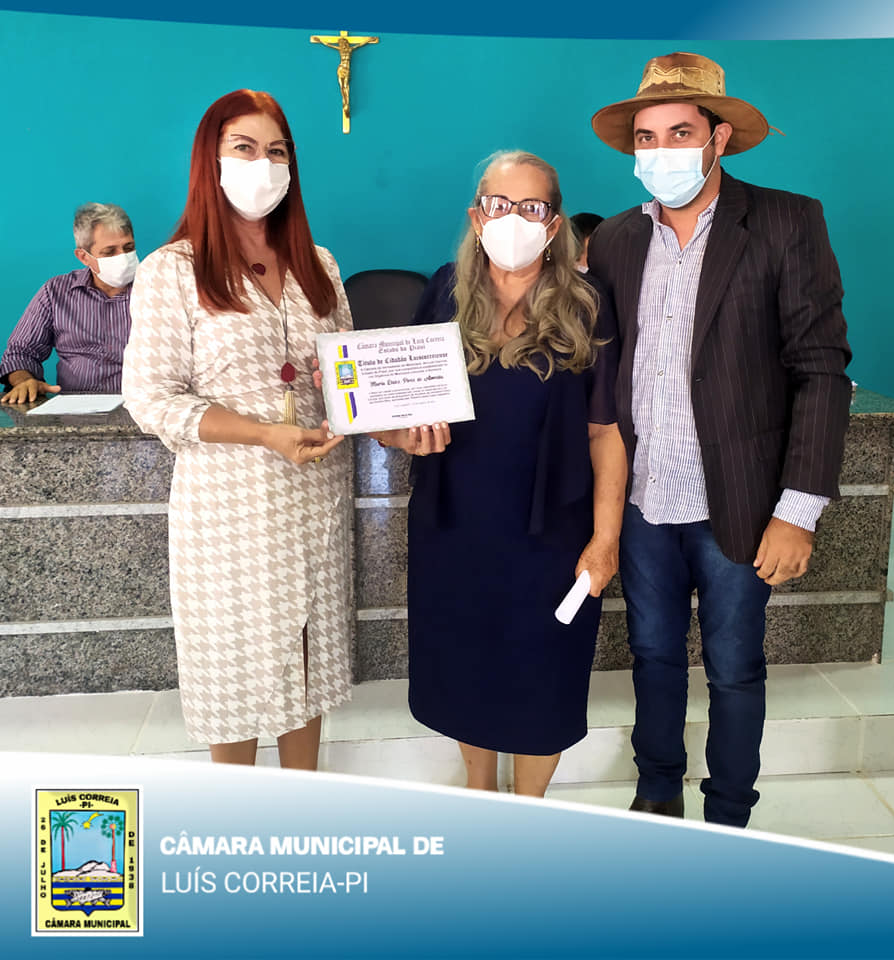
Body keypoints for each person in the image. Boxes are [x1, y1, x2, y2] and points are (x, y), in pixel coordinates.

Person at [588, 52, 852, 826]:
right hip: (645, 500)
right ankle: (657, 788)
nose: (660, 151)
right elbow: (601, 370)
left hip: (741, 499)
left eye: (680, 132)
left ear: (718, 137)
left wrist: (798, 511)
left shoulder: (784, 222)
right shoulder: (615, 240)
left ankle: (730, 811)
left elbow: (821, 371)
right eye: (646, 137)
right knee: (653, 653)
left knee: (735, 666)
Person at [373, 151, 626, 797]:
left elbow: (605, 432)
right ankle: (479, 794)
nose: (514, 218)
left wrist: (605, 540)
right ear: (476, 215)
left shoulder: (589, 303)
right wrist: (402, 434)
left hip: (552, 536)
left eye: (532, 207)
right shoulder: (444, 292)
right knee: (467, 670)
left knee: (544, 679)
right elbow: (392, 417)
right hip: (454, 526)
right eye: (499, 204)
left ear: (554, 223)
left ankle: (527, 813)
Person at [122, 90, 353, 770]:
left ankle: (303, 801)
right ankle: (238, 814)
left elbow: (346, 376)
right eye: (245, 149)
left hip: (314, 498)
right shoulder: (174, 270)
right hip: (231, 511)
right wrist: (262, 434)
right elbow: (151, 397)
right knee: (236, 670)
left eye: (277, 151)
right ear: (211, 161)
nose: (264, 165)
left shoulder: (320, 264)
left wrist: (360, 400)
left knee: (306, 663)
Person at [1, 202, 138, 403]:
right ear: (83, 256)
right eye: (109, 252)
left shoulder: (159, 288)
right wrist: (25, 381)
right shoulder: (55, 292)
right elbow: (20, 352)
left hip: (144, 408)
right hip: (74, 409)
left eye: (128, 248)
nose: (123, 258)